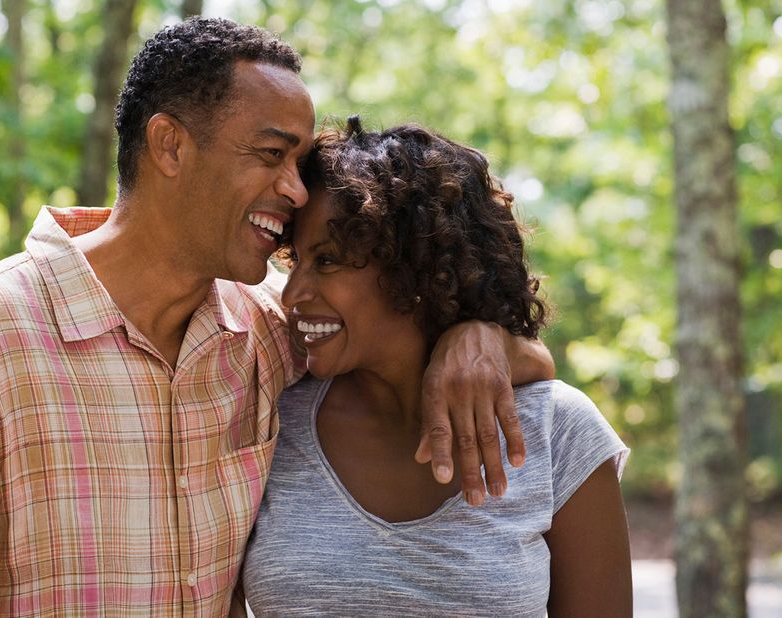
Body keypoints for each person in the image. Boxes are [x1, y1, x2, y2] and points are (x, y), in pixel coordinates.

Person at [0, 19, 553, 618]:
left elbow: (397, 335)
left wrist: (481, 338)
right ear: (170, 145)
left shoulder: (264, 337)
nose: (297, 193)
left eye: (300, 163)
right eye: (272, 155)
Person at [239, 118, 632, 617]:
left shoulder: (558, 431)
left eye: (329, 261)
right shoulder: (273, 418)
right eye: (295, 261)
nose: (292, 293)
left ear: (419, 269)